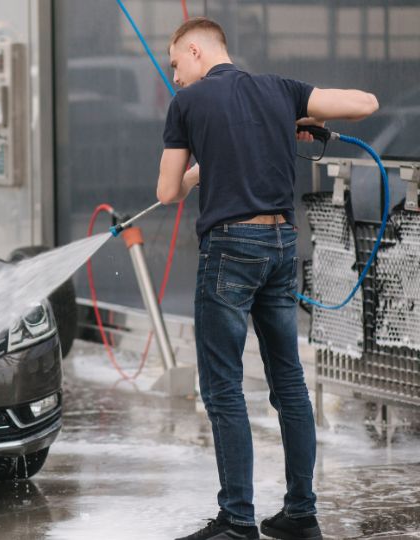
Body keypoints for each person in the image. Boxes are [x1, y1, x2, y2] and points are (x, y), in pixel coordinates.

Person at [156, 17, 379, 540]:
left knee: (223, 389)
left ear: (194, 49)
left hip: (230, 251)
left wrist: (197, 168)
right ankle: (301, 513)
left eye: (174, 66)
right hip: (280, 246)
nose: (175, 79)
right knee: (290, 384)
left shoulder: (187, 105)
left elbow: (168, 191)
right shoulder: (282, 90)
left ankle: (237, 520)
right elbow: (365, 103)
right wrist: (293, 117)